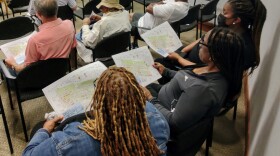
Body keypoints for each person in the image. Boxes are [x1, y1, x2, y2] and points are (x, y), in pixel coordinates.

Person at [22, 67, 170, 156]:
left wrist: (44, 131)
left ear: (99, 101)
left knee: (39, 127)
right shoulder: (158, 119)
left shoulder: (72, 138)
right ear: (138, 96)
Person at [142, 27, 244, 136]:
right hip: (168, 96)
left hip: (161, 114)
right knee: (138, 82)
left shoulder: (203, 90)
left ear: (213, 55)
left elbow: (174, 123)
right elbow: (188, 79)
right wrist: (166, 71)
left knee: (127, 91)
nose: (198, 45)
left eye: (202, 42)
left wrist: (149, 98)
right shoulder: (215, 68)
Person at [156, 0, 267, 75]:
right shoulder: (228, 26)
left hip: (195, 72)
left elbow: (210, 72)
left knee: (159, 64)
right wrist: (182, 51)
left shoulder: (234, 46)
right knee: (164, 58)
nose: (221, 15)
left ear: (236, 20)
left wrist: (179, 59)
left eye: (225, 12)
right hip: (189, 60)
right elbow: (202, 39)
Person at [4, 0, 76, 73]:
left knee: (5, 67)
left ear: (38, 14)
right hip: (62, 71)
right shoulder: (69, 25)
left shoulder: (35, 40)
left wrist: (13, 64)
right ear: (56, 9)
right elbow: (72, 46)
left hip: (41, 77)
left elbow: (26, 69)